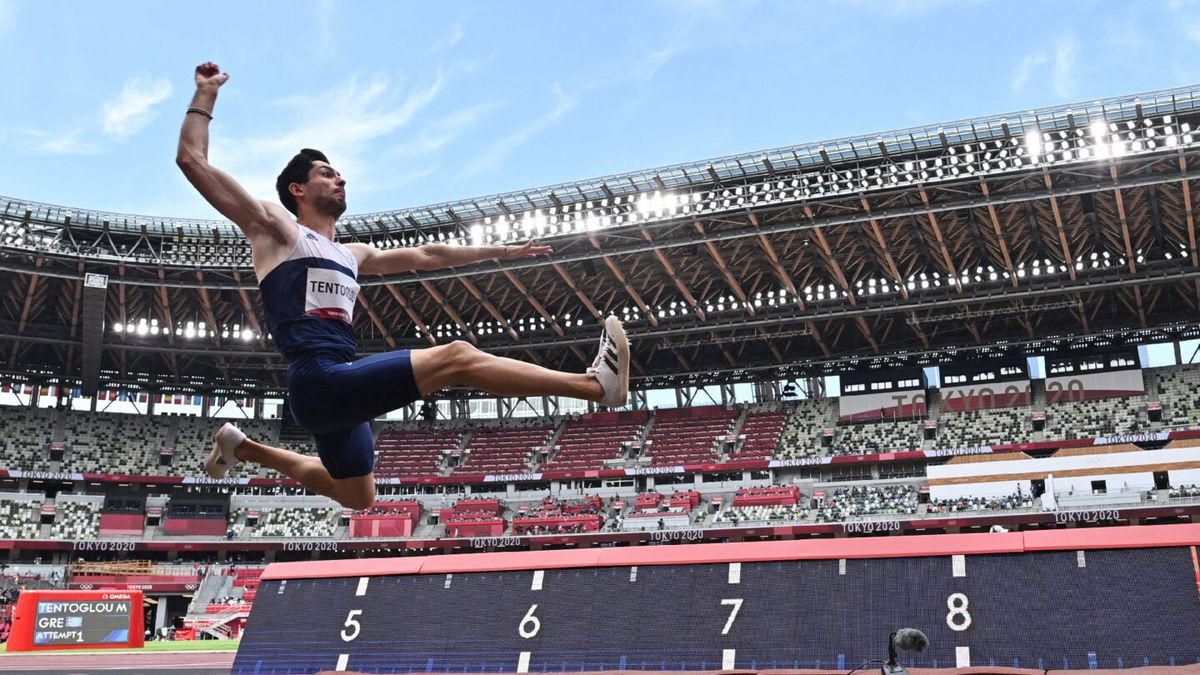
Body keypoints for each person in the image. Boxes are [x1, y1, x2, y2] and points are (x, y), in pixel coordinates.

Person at [176, 62, 630, 510]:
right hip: (317, 380)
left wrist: (499, 253)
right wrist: (207, 93)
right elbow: (192, 161)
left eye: (339, 173)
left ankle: (245, 448)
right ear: (297, 189)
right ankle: (594, 387)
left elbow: (428, 255)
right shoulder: (277, 231)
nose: (341, 178)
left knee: (357, 495)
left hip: (339, 382)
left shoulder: (353, 255)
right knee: (458, 356)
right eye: (327, 173)